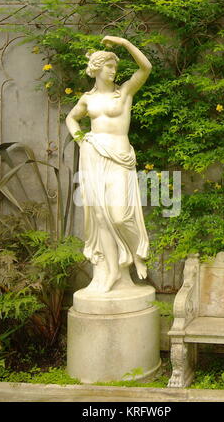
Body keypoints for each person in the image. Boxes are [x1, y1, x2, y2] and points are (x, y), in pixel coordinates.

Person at [66, 36, 152, 293]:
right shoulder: (87, 99)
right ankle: (113, 271)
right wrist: (82, 141)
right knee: (101, 216)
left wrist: (124, 43)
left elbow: (145, 68)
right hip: (94, 156)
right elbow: (71, 119)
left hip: (120, 157)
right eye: (110, 66)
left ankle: (137, 254)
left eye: (115, 67)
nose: (114, 71)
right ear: (97, 68)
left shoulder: (124, 92)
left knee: (119, 216)